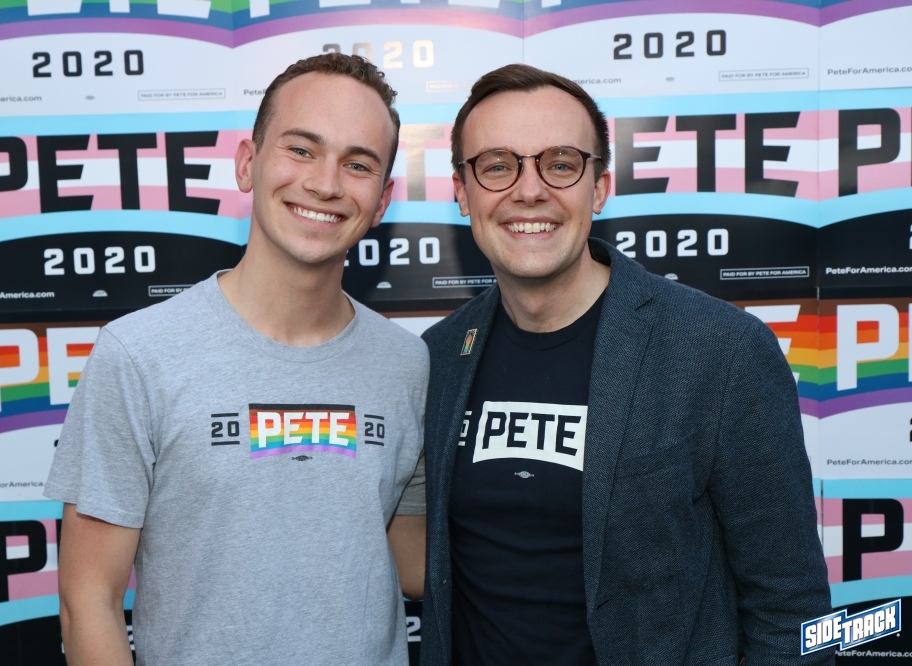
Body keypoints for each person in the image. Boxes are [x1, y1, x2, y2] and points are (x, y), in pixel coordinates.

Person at [418, 64, 832, 665]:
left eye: (561, 164)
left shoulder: (721, 350)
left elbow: (789, 609)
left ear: (599, 187)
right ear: (462, 191)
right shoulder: (437, 356)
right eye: (498, 166)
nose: (529, 191)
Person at [45, 53, 428, 666]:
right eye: (301, 149)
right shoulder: (138, 354)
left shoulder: (408, 364)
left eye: (357, 164)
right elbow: (88, 599)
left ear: (381, 200)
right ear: (248, 163)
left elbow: (415, 563)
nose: (325, 183)